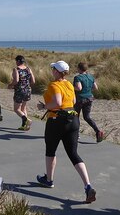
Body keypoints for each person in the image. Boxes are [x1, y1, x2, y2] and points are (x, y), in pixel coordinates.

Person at [36, 60, 96, 203]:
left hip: (57, 120)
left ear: (57, 71)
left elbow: (57, 102)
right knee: (73, 154)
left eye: (53, 69)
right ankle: (88, 186)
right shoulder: (69, 84)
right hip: (73, 119)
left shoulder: (54, 85)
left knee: (50, 151)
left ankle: (49, 180)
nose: (52, 71)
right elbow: (74, 99)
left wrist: (44, 106)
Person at [74, 62, 104, 143]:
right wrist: (88, 90)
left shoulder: (78, 77)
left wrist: (71, 87)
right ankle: (97, 131)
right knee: (87, 117)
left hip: (80, 99)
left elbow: (79, 88)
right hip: (89, 98)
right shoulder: (90, 77)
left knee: (76, 117)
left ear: (79, 69)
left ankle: (76, 135)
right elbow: (95, 88)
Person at [8, 55, 35, 130]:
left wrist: (10, 85)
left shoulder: (16, 69)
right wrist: (26, 84)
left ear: (18, 61)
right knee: (23, 108)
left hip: (20, 91)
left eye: (16, 61)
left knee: (16, 109)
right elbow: (33, 81)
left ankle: (27, 120)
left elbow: (16, 80)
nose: (15, 62)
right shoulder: (28, 69)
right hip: (28, 90)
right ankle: (24, 126)